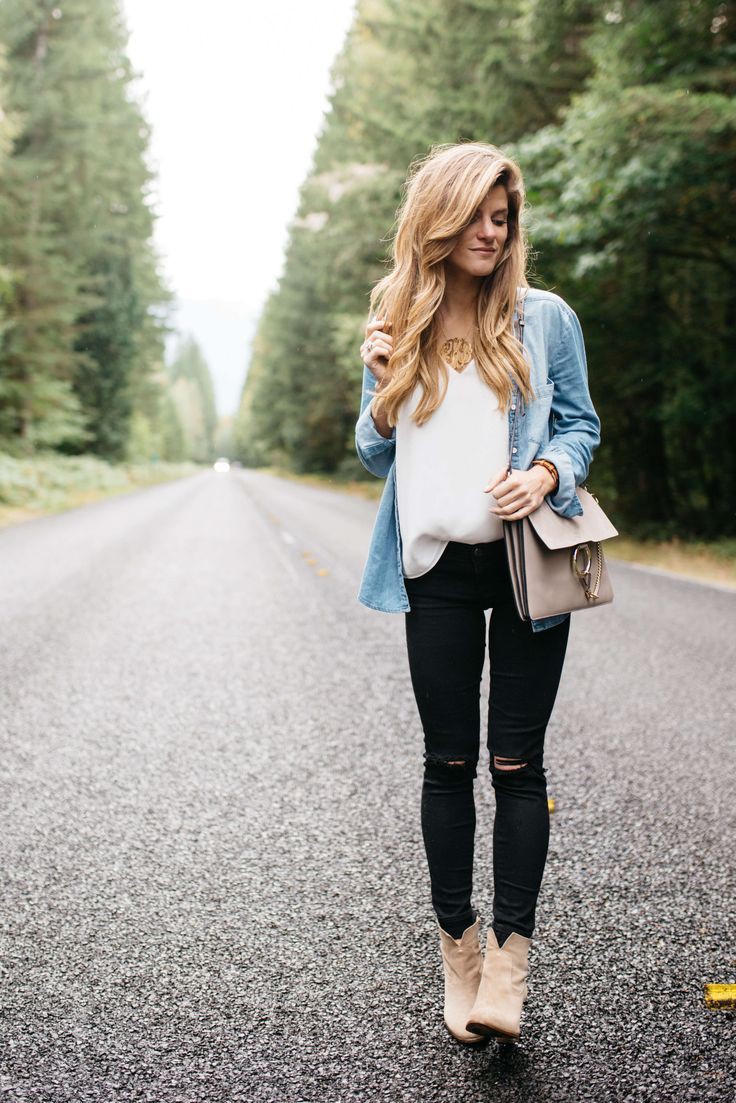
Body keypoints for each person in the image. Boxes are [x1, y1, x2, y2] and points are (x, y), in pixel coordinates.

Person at [354, 142, 601, 1045]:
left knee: (516, 764)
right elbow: (375, 452)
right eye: (478, 216)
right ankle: (457, 950)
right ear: (439, 217)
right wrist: (381, 385)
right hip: (437, 570)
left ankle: (509, 963)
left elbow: (581, 424)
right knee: (448, 761)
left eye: (504, 217)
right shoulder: (396, 314)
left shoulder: (545, 319)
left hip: (523, 557)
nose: (493, 232)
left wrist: (544, 473)